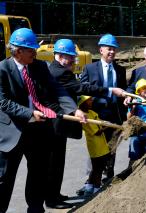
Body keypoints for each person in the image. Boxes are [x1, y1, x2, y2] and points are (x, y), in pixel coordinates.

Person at [0, 28, 86, 213]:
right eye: (30, 49)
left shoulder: (39, 67)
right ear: (17, 51)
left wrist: (74, 109)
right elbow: (3, 102)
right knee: (4, 180)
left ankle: (36, 209)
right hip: (12, 132)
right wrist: (29, 113)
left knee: (38, 175)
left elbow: (57, 89)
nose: (35, 52)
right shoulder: (2, 69)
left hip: (38, 131)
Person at [46, 38, 125, 208]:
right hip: (55, 126)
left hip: (60, 124)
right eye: (71, 57)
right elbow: (82, 88)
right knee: (54, 163)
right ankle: (51, 199)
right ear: (60, 56)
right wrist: (110, 90)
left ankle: (54, 194)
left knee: (58, 162)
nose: (74, 61)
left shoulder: (55, 69)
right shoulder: (60, 72)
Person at [80, 34, 127, 180]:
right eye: (109, 49)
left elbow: (123, 90)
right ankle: (92, 179)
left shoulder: (120, 70)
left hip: (115, 114)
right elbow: (83, 89)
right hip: (96, 114)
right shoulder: (90, 68)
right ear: (101, 50)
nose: (112, 52)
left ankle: (108, 177)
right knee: (95, 147)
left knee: (111, 147)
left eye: (114, 49)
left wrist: (126, 99)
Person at [78, 96, 111, 195]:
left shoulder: (92, 113)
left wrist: (104, 123)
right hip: (95, 146)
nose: (91, 102)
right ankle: (97, 188)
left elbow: (99, 122)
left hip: (101, 144)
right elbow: (96, 132)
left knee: (96, 167)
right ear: (83, 103)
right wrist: (106, 126)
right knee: (98, 167)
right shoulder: (84, 117)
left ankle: (89, 186)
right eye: (89, 101)